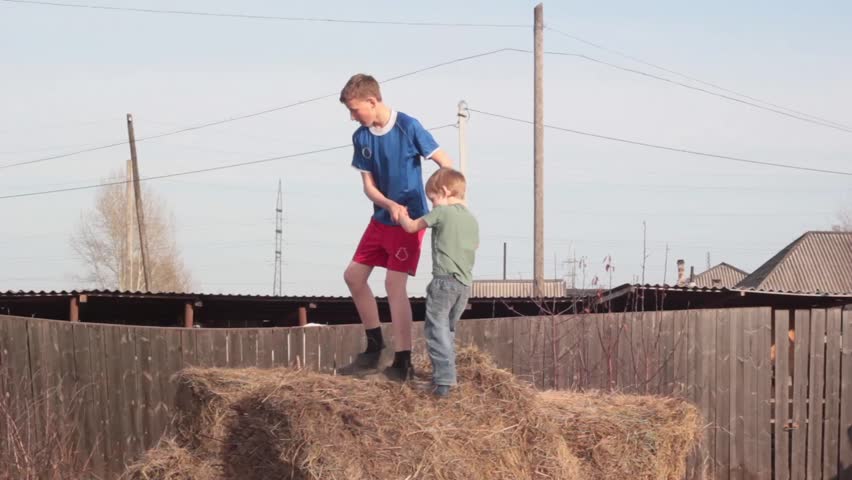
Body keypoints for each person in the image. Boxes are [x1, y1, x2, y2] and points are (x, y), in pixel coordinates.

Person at [337, 73, 452, 380]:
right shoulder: (360, 138)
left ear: (372, 101)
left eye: (354, 109)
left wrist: (444, 202)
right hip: (381, 218)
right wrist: (387, 204)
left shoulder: (408, 126)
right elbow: (368, 186)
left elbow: (446, 163)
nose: (352, 116)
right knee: (353, 276)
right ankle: (375, 349)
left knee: (393, 285)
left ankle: (403, 361)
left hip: (409, 222)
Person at [397, 168, 479, 396]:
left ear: (443, 191)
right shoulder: (472, 219)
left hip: (444, 281)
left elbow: (412, 227)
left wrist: (401, 214)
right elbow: (475, 246)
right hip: (464, 285)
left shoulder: (442, 212)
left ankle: (444, 381)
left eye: (432, 199)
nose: (432, 204)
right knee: (448, 331)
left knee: (436, 330)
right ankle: (443, 378)